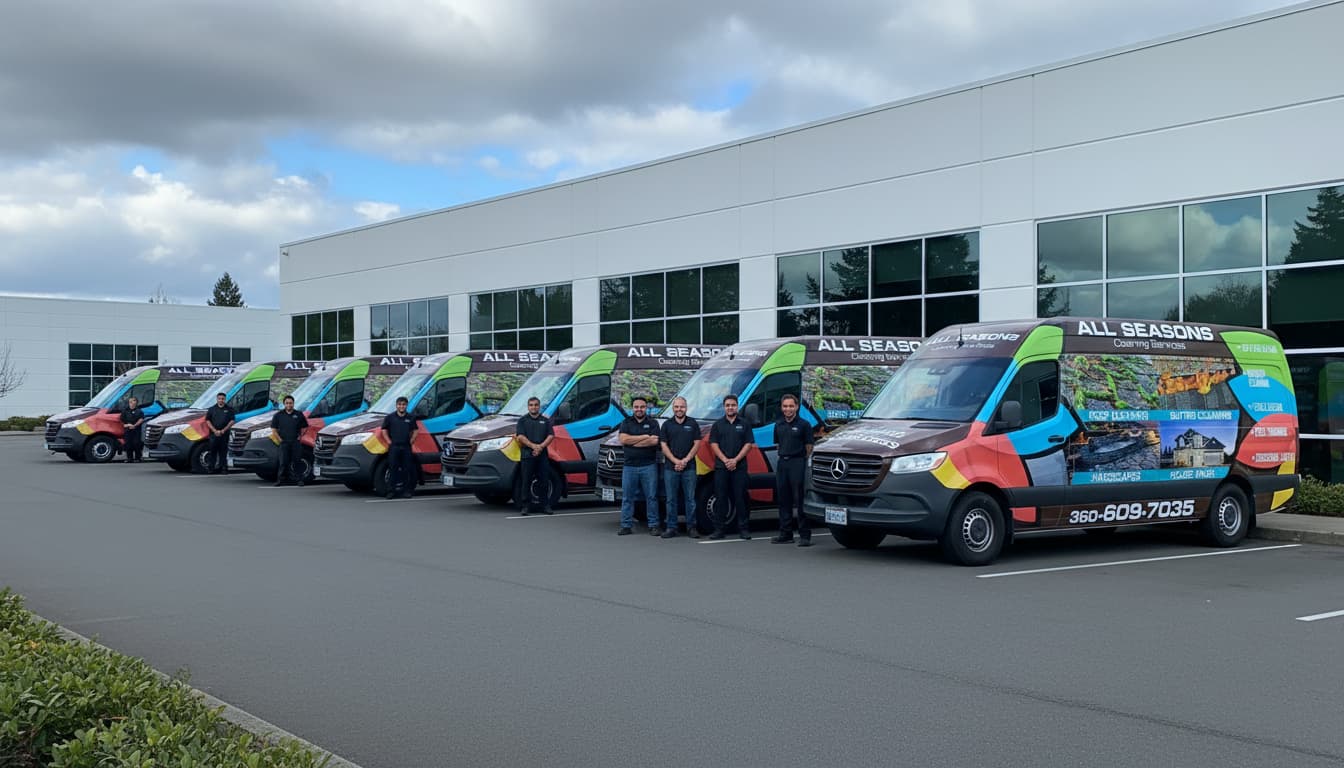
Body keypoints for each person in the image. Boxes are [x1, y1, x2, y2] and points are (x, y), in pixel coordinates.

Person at [708, 394, 755, 540]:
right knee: (721, 499)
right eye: (727, 405)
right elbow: (713, 444)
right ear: (724, 407)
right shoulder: (717, 425)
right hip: (721, 468)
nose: (730, 407)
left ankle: (744, 529)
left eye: (733, 405)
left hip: (739, 467)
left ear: (737, 406)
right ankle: (719, 530)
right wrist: (725, 460)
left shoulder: (745, 424)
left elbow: (748, 444)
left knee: (741, 498)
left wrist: (735, 460)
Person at [771, 394, 815, 547]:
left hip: (798, 463)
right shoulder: (778, 424)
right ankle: (786, 533)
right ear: (781, 408)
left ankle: (805, 535)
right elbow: (778, 445)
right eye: (785, 406)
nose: (788, 409)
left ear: (796, 407)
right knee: (783, 500)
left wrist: (801, 460)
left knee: (800, 500)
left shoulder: (804, 425)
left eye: (791, 406)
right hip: (783, 463)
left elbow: (809, 446)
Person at [618, 396, 661, 536]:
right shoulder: (626, 422)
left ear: (646, 408)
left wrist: (632, 442)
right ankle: (626, 525)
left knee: (651, 497)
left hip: (648, 465)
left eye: (642, 407)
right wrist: (644, 437)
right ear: (632, 408)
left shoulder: (653, 423)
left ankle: (653, 525)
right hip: (629, 466)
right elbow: (623, 439)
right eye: (636, 407)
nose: (639, 409)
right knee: (627, 497)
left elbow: (654, 441)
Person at [659, 395, 701, 539]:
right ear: (673, 408)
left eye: (681, 407)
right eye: (676, 407)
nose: (679, 409)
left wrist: (685, 460)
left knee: (690, 499)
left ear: (686, 407)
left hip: (689, 467)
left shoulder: (693, 423)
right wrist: (676, 461)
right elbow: (663, 445)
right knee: (671, 499)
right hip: (671, 468)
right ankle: (671, 527)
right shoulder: (667, 425)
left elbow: (697, 444)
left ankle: (692, 527)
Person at [514, 396, 555, 515]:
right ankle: (525, 506)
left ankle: (545, 505)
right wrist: (533, 446)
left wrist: (540, 447)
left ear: (539, 406)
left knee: (544, 480)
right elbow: (520, 436)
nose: (533, 407)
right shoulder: (522, 420)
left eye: (536, 405)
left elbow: (551, 436)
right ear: (528, 407)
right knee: (526, 481)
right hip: (527, 454)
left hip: (542, 455)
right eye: (531, 405)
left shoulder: (545, 420)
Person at [381, 396, 419, 499]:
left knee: (406, 469)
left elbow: (415, 430)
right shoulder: (390, 417)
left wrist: (412, 440)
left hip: (406, 447)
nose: (401, 406)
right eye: (399, 404)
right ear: (396, 405)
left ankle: (406, 491)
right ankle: (391, 492)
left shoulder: (411, 417)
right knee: (393, 469)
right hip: (394, 447)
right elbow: (384, 429)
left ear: (406, 405)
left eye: (403, 405)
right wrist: (388, 441)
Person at [270, 395, 309, 487]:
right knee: (283, 462)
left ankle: (299, 480)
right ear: (284, 404)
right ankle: (280, 480)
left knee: (297, 461)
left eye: (290, 403)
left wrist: (301, 436)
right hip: (284, 442)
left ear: (293, 403)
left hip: (295, 442)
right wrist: (280, 440)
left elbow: (305, 426)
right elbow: (274, 429)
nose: (289, 405)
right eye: (287, 403)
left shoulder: (299, 414)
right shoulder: (278, 415)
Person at [204, 392, 236, 474]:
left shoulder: (229, 409)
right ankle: (211, 468)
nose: (221, 400)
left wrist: (223, 430)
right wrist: (215, 430)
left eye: (223, 399)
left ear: (225, 399)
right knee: (213, 451)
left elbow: (232, 421)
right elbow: (207, 421)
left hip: (224, 434)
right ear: (217, 399)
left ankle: (223, 468)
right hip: (213, 434)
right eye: (219, 399)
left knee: (223, 452)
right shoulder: (211, 409)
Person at [120, 396, 145, 463]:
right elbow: (121, 420)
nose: (131, 402)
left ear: (136, 402)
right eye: (130, 401)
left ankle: (138, 458)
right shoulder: (125, 411)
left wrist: (134, 425)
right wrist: (127, 425)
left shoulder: (139, 411)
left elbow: (141, 419)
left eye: (133, 401)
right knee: (128, 444)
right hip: (127, 430)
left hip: (136, 429)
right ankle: (129, 458)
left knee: (136, 443)